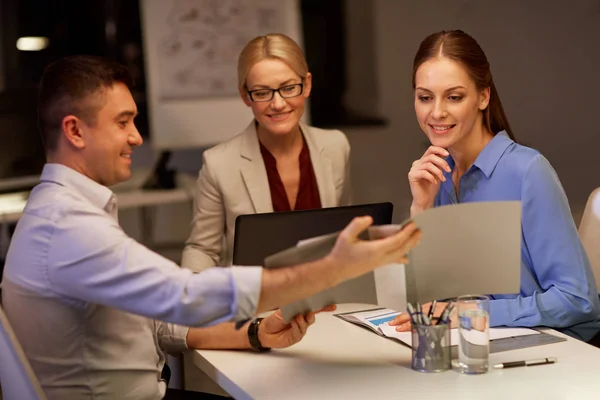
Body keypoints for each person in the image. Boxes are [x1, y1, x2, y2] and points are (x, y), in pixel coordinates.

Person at [0, 55, 421, 400]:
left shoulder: (65, 210)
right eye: (123, 122)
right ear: (74, 130)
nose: (137, 137)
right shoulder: (67, 227)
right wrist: (332, 268)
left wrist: (257, 332)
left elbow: (157, 318)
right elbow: (183, 296)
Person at [389, 30, 600, 344]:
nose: (436, 112)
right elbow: (431, 305)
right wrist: (421, 209)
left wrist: (472, 313)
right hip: (479, 346)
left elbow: (578, 300)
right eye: (425, 97)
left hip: (555, 353)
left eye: (454, 96)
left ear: (483, 97)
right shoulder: (437, 175)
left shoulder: (527, 171)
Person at [182, 33, 352, 271]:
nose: (278, 104)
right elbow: (202, 249)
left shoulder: (336, 146)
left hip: (325, 299)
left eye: (289, 88)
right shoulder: (219, 163)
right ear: (245, 96)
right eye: (262, 93)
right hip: (257, 303)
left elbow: (343, 236)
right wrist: (194, 299)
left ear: (307, 84)